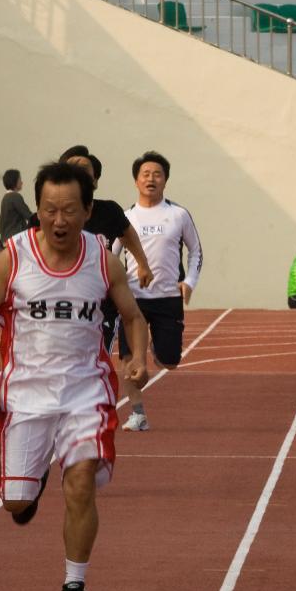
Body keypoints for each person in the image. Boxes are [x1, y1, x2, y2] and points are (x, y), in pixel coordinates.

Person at [0, 161, 149, 591]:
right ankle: (34, 479)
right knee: (16, 501)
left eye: (69, 210)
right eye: (49, 210)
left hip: (86, 393)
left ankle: (74, 584)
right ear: (38, 211)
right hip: (26, 395)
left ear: (88, 211)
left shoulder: (102, 260)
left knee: (81, 483)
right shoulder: (14, 256)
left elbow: (132, 316)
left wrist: (139, 358)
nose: (59, 220)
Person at [115, 151, 203, 431]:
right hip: (132, 299)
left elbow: (196, 252)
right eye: (145, 174)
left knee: (170, 361)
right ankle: (138, 413)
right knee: (130, 360)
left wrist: (188, 282)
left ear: (165, 180)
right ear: (136, 181)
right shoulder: (126, 217)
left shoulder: (178, 214)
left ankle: (155, 347)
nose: (151, 179)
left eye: (157, 174)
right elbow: (109, 256)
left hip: (168, 298)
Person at [39, 145, 155, 350]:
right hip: (57, 302)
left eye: (84, 169)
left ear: (94, 181)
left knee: (95, 359)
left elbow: (128, 234)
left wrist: (143, 264)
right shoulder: (43, 219)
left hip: (100, 303)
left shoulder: (109, 212)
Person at [0, 168, 31, 241]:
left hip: (6, 238)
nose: (22, 182)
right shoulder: (15, 196)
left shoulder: (6, 198)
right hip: (16, 238)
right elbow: (28, 215)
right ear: (14, 181)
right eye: (19, 180)